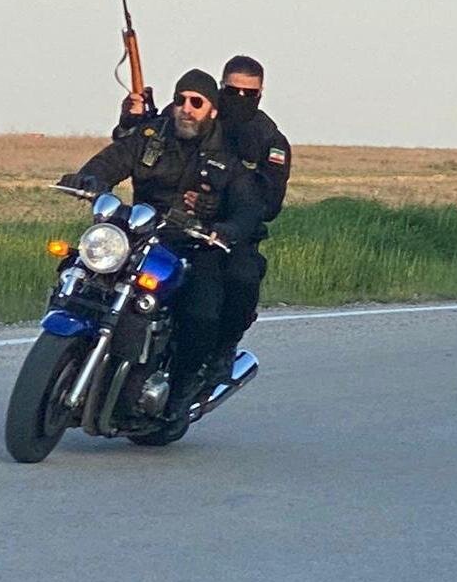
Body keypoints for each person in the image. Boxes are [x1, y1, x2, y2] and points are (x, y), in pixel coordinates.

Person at [57, 69, 265, 422]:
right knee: (79, 267)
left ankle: (183, 387)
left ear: (212, 110)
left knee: (201, 312)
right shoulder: (152, 136)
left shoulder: (228, 153)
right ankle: (74, 352)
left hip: (194, 244)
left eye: (196, 103)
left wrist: (227, 228)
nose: (187, 108)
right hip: (143, 234)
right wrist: (89, 179)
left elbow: (248, 204)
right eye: (181, 100)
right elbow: (113, 158)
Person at [115, 55, 291, 229]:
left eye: (249, 93)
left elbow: (269, 206)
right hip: (160, 221)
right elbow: (140, 148)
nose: (240, 96)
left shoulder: (268, 139)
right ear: (222, 86)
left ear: (260, 93)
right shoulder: (193, 112)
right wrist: (129, 124)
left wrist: (220, 205)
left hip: (227, 235)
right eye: (232, 91)